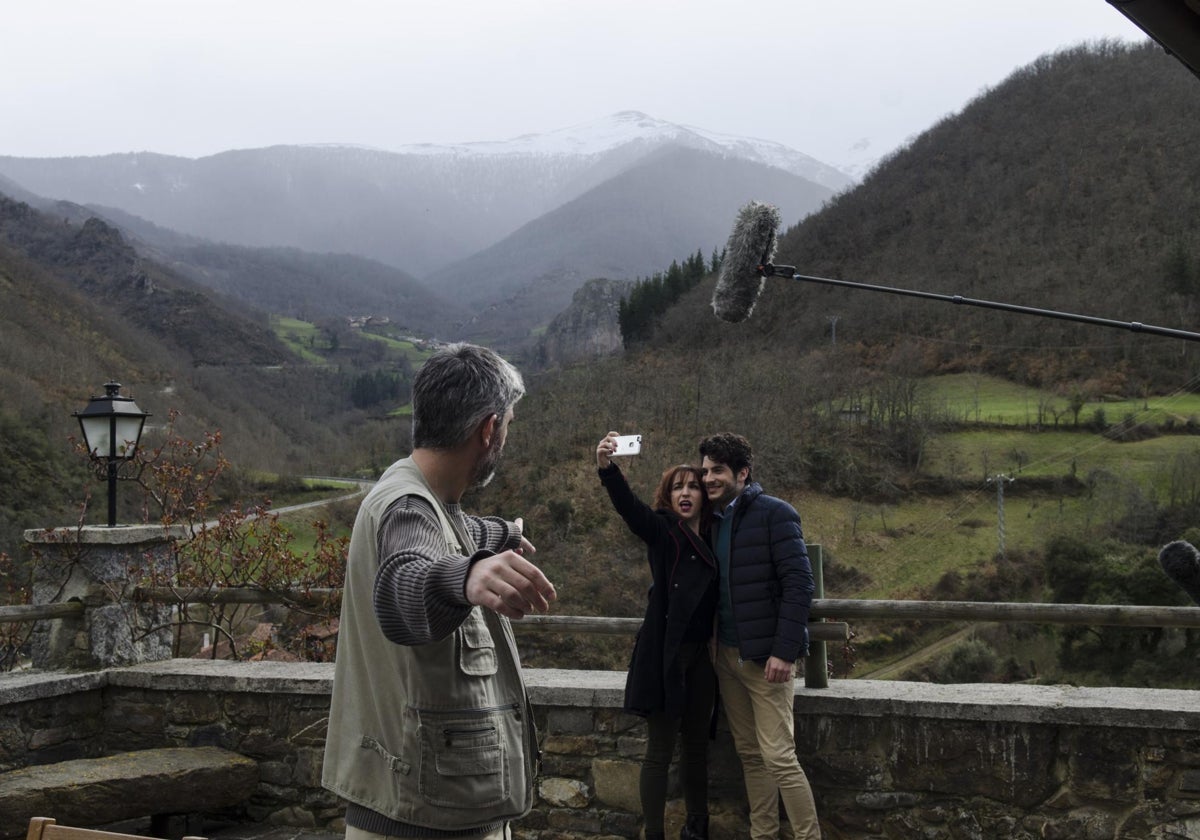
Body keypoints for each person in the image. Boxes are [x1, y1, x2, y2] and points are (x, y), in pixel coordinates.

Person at [322, 343, 557, 840]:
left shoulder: (423, 495)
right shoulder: (408, 508)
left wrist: (504, 533)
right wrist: (464, 577)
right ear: (488, 428)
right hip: (421, 824)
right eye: (508, 425)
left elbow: (460, 530)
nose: (506, 438)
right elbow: (408, 581)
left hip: (428, 815)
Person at [596, 432, 719, 840]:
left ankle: (697, 828)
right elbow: (630, 510)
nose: (685, 493)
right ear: (668, 497)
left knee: (697, 749)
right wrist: (608, 469)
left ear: (704, 495)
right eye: (677, 487)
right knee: (660, 751)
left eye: (693, 486)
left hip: (703, 658)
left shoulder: (717, 535)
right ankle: (654, 834)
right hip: (666, 658)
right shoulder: (664, 531)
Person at [698, 432, 821, 840]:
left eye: (717, 470)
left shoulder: (776, 513)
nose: (708, 478)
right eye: (705, 471)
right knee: (750, 755)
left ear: (742, 473)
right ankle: (763, 835)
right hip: (727, 658)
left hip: (767, 659)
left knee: (779, 757)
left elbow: (800, 584)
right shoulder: (710, 520)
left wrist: (785, 652)